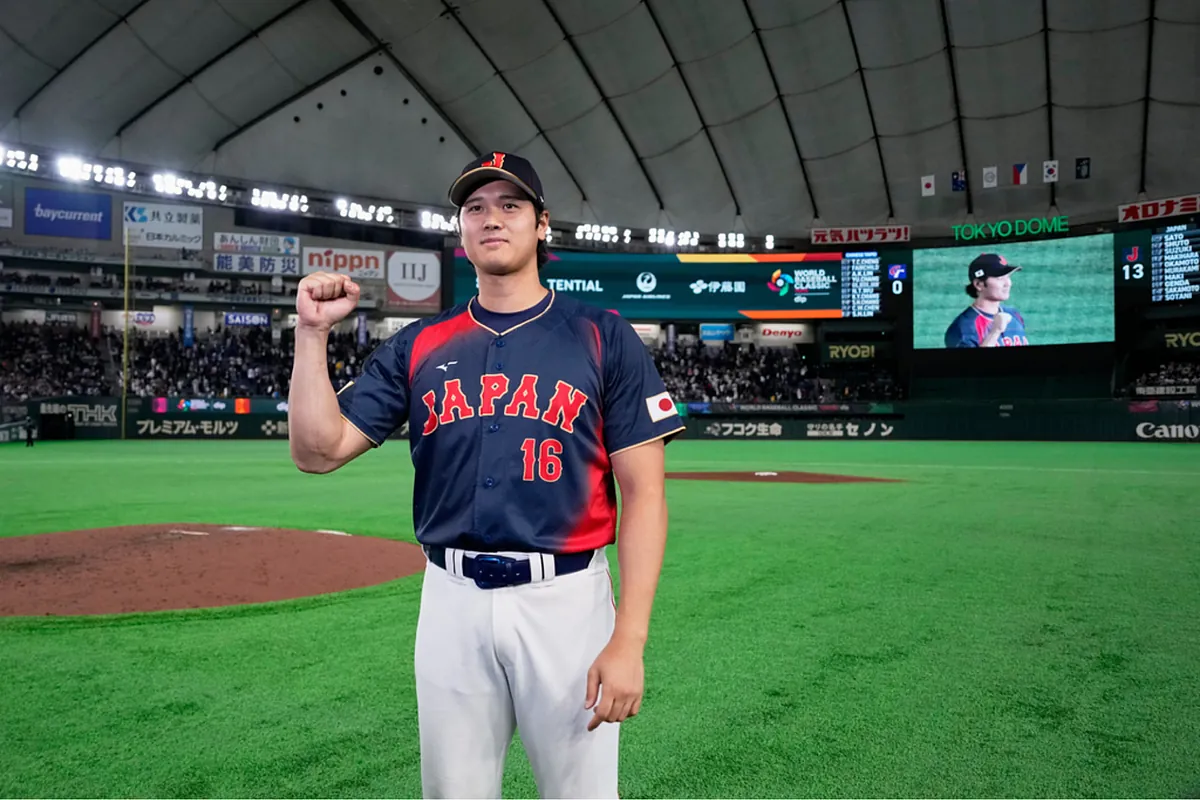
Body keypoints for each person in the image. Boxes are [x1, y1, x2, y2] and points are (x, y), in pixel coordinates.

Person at [287, 151, 685, 798]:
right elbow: (317, 450)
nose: (491, 218)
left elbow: (645, 494)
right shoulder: (419, 343)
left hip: (567, 602)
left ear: (542, 224)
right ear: (462, 232)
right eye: (475, 207)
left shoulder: (602, 336)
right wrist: (311, 336)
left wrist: (629, 639)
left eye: (510, 205)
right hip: (450, 600)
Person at [944, 253, 1030, 348]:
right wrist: (995, 332)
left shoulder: (1014, 315)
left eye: (1008, 277)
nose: (1008, 283)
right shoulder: (962, 328)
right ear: (978, 284)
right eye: (1000, 278)